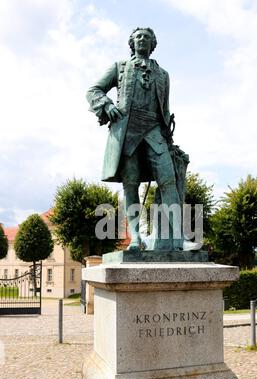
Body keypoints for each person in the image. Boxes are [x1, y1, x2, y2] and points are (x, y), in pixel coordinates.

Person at [87, 27, 183, 251]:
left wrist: (170, 138)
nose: (142, 40)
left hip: (154, 131)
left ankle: (178, 237)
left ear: (153, 44)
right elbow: (94, 90)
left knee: (168, 180)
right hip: (128, 131)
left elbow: (164, 110)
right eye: (138, 36)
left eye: (147, 37)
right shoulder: (120, 67)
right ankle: (136, 238)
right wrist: (107, 105)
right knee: (131, 183)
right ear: (132, 42)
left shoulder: (163, 74)